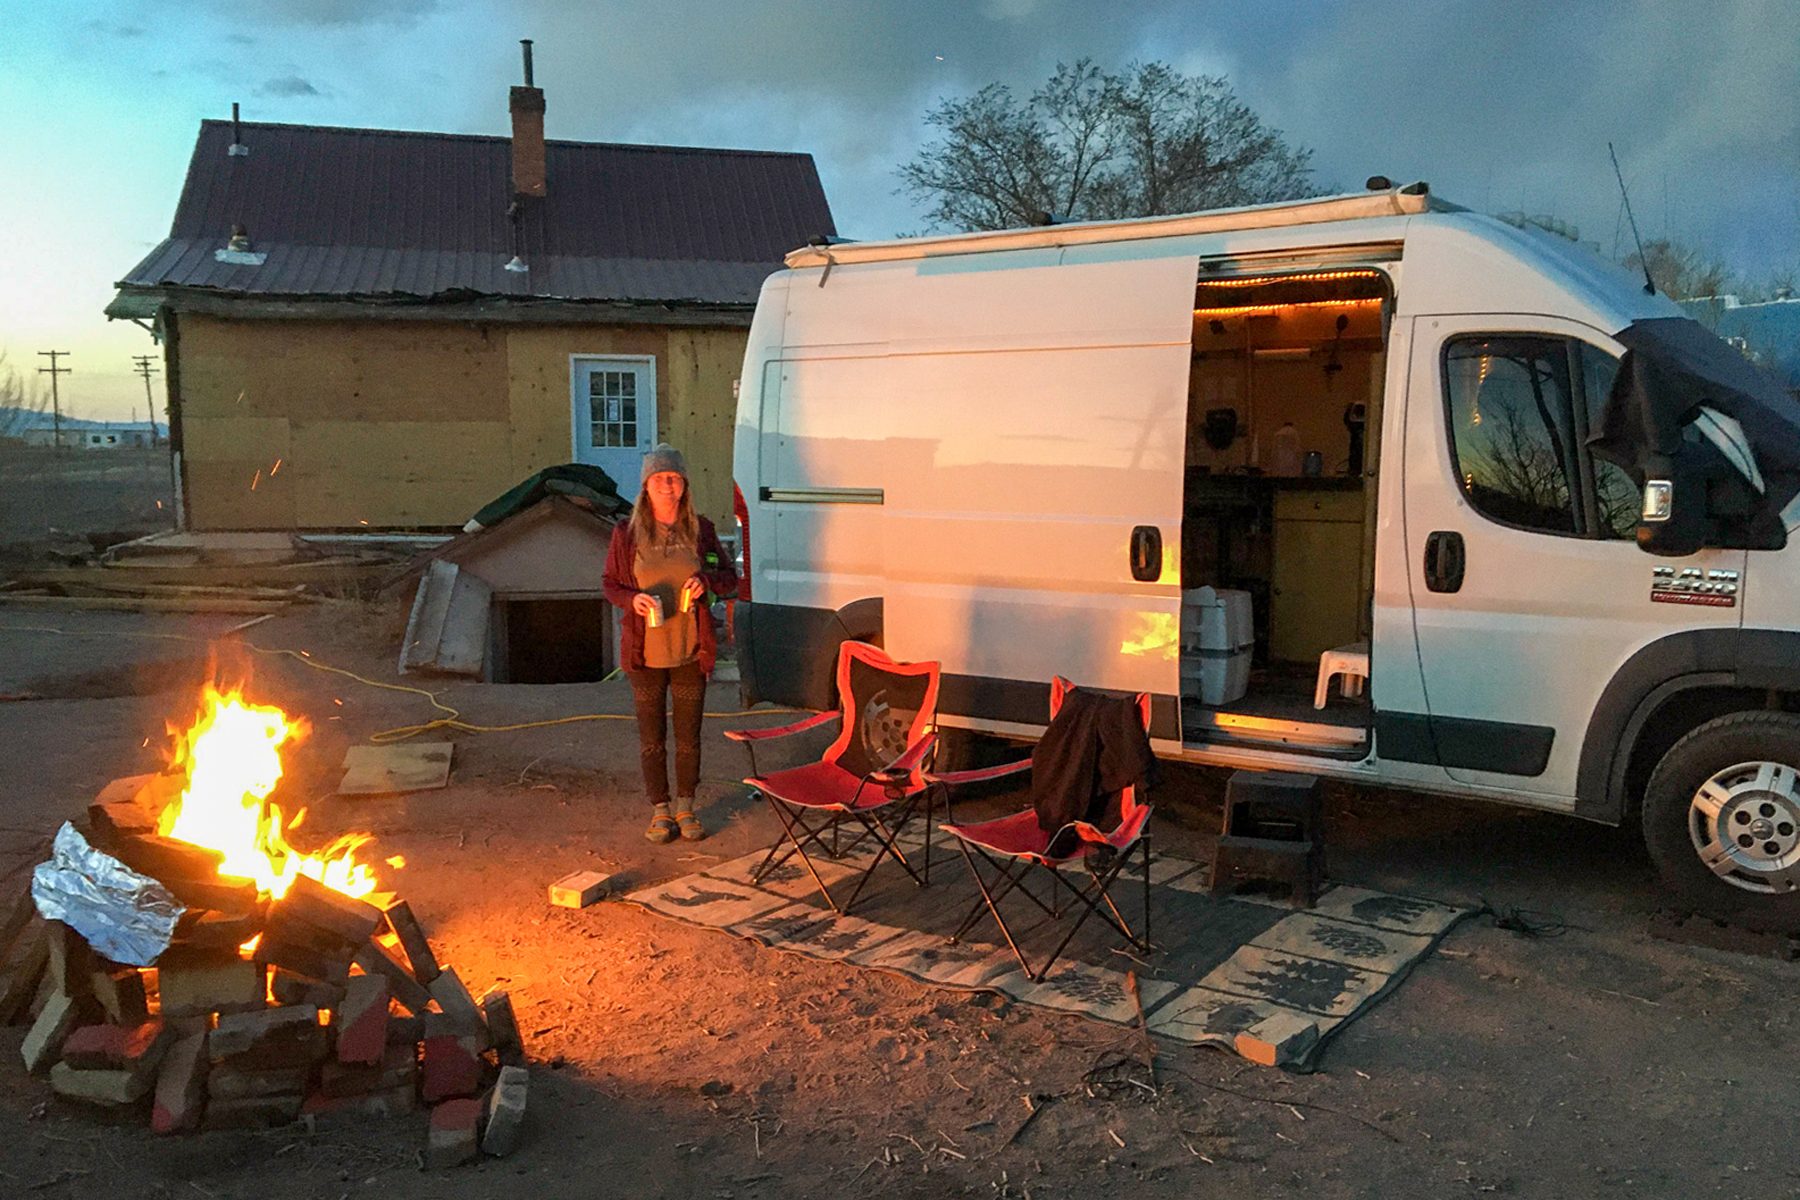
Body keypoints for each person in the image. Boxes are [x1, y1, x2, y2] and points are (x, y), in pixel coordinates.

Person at [602, 445, 739, 843]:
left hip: (690, 650)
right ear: (646, 485)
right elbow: (610, 585)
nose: (669, 484)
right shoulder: (625, 534)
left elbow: (728, 577)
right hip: (644, 653)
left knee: (688, 735)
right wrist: (633, 600)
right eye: (661, 478)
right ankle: (659, 810)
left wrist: (706, 584)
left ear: (684, 486)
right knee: (651, 737)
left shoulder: (702, 530)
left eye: (675, 478)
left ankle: (686, 806)